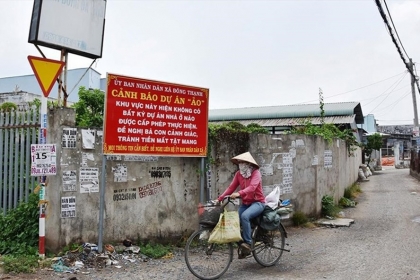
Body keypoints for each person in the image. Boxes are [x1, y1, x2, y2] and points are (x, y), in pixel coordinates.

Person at [216, 151, 265, 258]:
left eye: (243, 162)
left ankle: (248, 243)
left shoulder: (256, 173)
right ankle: (242, 244)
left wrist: (239, 193)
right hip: (246, 203)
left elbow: (252, 187)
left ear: (249, 163)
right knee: (235, 220)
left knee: (245, 216)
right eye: (239, 162)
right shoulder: (239, 174)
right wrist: (220, 199)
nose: (241, 164)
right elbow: (231, 187)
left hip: (258, 203)